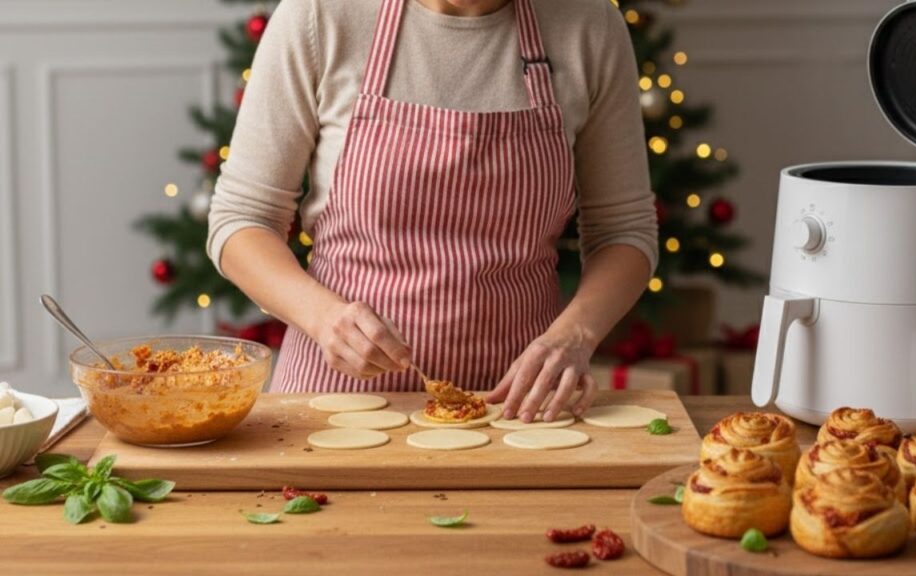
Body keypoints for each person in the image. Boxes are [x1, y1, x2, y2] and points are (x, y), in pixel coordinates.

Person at [208, 0, 657, 423]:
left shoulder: (590, 25)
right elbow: (241, 219)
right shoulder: (322, 14)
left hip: (519, 406)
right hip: (335, 402)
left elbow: (624, 230)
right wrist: (323, 317)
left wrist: (576, 335)